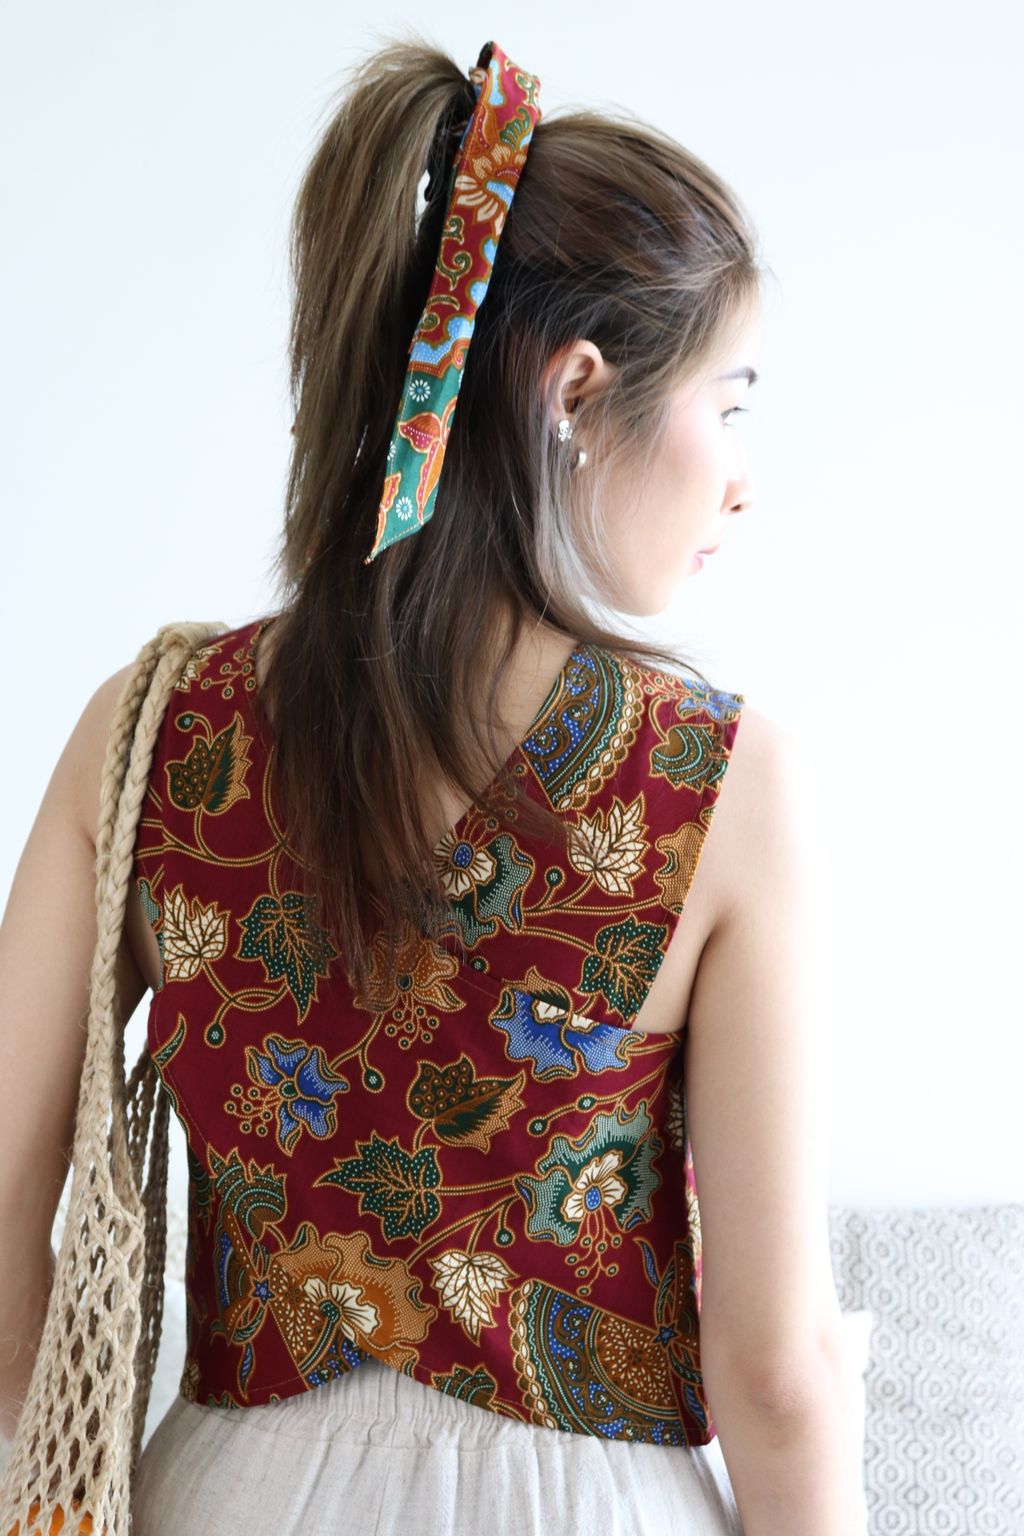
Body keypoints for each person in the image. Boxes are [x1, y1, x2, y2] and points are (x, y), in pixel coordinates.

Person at [0, 32, 866, 1536]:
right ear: (577, 389)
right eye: (727, 403)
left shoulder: (148, 733)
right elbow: (780, 1376)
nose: (741, 476)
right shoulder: (718, 782)